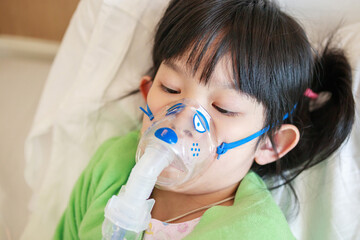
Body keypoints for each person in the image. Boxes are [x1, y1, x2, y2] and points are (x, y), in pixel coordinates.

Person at [54, 0, 355, 239]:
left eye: (223, 108)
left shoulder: (255, 233)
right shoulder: (109, 168)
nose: (183, 119)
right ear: (146, 93)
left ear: (272, 143)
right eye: (170, 89)